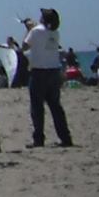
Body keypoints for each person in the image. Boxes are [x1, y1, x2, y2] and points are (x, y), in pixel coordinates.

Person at [22, 9, 72, 148]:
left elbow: (24, 46)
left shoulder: (36, 31)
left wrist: (29, 29)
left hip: (39, 72)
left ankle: (39, 139)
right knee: (56, 107)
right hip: (54, 72)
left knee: (37, 108)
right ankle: (65, 137)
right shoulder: (55, 32)